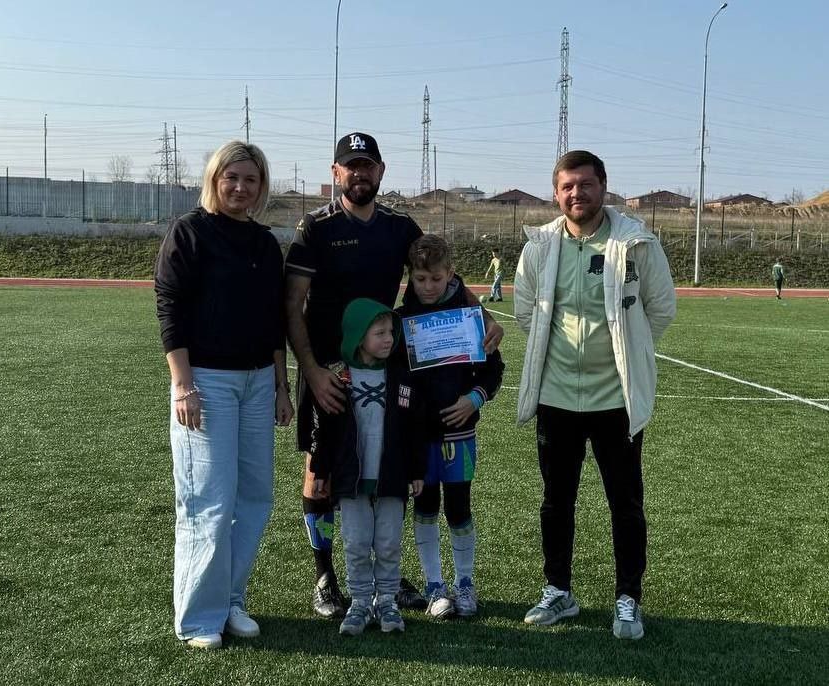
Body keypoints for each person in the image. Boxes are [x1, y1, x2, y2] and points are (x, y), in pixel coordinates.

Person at [285, 131, 504, 618]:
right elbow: (292, 303)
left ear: (380, 171)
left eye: (368, 165)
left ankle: (387, 574)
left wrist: (482, 315)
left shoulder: (399, 227)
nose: (360, 173)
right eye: (351, 165)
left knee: (385, 470)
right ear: (336, 172)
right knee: (321, 476)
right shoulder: (316, 227)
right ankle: (325, 576)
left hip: (385, 369)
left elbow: (441, 270)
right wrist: (312, 370)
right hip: (328, 372)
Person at [514, 150, 675, 641]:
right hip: (556, 396)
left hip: (615, 400)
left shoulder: (635, 242)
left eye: (585, 184)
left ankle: (628, 599)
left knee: (625, 503)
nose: (576, 194)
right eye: (567, 186)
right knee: (555, 501)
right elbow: (526, 311)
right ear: (555, 193)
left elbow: (660, 308)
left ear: (604, 186)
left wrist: (629, 352)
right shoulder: (540, 246)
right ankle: (558, 590)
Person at [154, 141, 293, 649]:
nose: (240, 187)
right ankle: (198, 618)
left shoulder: (264, 243)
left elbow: (274, 320)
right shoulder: (190, 231)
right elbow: (169, 307)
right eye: (231, 177)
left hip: (258, 383)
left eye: (251, 180)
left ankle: (231, 599)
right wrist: (183, 384)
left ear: (261, 187)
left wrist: (281, 386)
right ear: (214, 179)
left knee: (254, 497)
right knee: (208, 501)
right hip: (206, 382)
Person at [396, 235, 504, 619]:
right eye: (420, 279)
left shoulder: (469, 317)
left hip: (461, 437)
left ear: (451, 275)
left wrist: (474, 398)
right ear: (411, 277)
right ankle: (434, 586)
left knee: (459, 508)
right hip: (419, 439)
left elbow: (494, 370)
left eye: (436, 279)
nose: (428, 287)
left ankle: (465, 583)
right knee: (425, 507)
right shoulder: (402, 321)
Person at [309, 298, 426, 635]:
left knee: (389, 544)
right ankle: (360, 602)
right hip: (352, 481)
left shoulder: (402, 378)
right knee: (357, 543)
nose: (389, 338)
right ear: (359, 337)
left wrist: (416, 471)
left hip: (391, 478)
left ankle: (387, 601)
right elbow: (324, 431)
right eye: (380, 333)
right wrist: (321, 471)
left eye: (391, 332)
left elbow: (413, 430)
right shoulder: (339, 378)